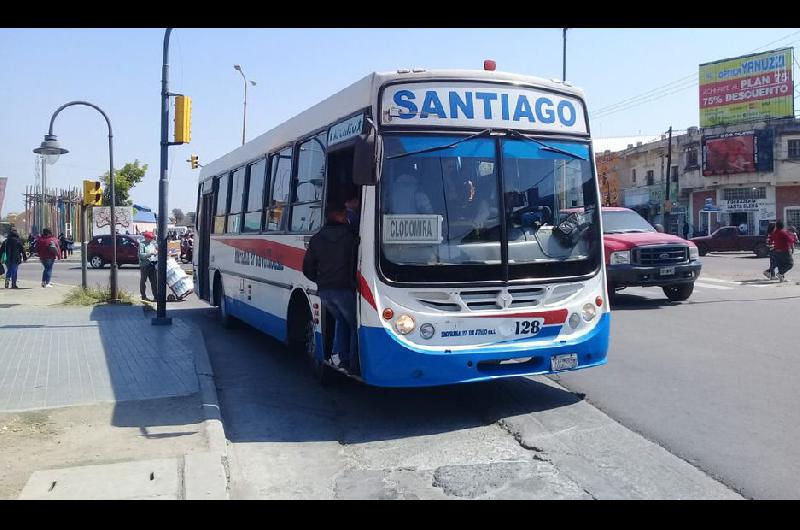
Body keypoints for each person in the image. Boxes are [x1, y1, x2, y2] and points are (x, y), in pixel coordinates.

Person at [302, 204, 360, 373]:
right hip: (344, 289)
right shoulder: (351, 237)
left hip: (325, 291)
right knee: (356, 325)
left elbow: (307, 268)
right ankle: (353, 365)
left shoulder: (317, 238)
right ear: (341, 216)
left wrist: (320, 280)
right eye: (345, 214)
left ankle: (339, 357)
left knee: (342, 321)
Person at [138, 231, 158, 301]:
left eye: (152, 238)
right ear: (146, 237)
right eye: (150, 238)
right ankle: (143, 296)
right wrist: (150, 254)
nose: (151, 239)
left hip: (152, 265)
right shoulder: (142, 244)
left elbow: (155, 252)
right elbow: (141, 255)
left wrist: (155, 253)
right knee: (143, 281)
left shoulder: (152, 244)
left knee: (154, 281)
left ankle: (156, 296)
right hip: (144, 265)